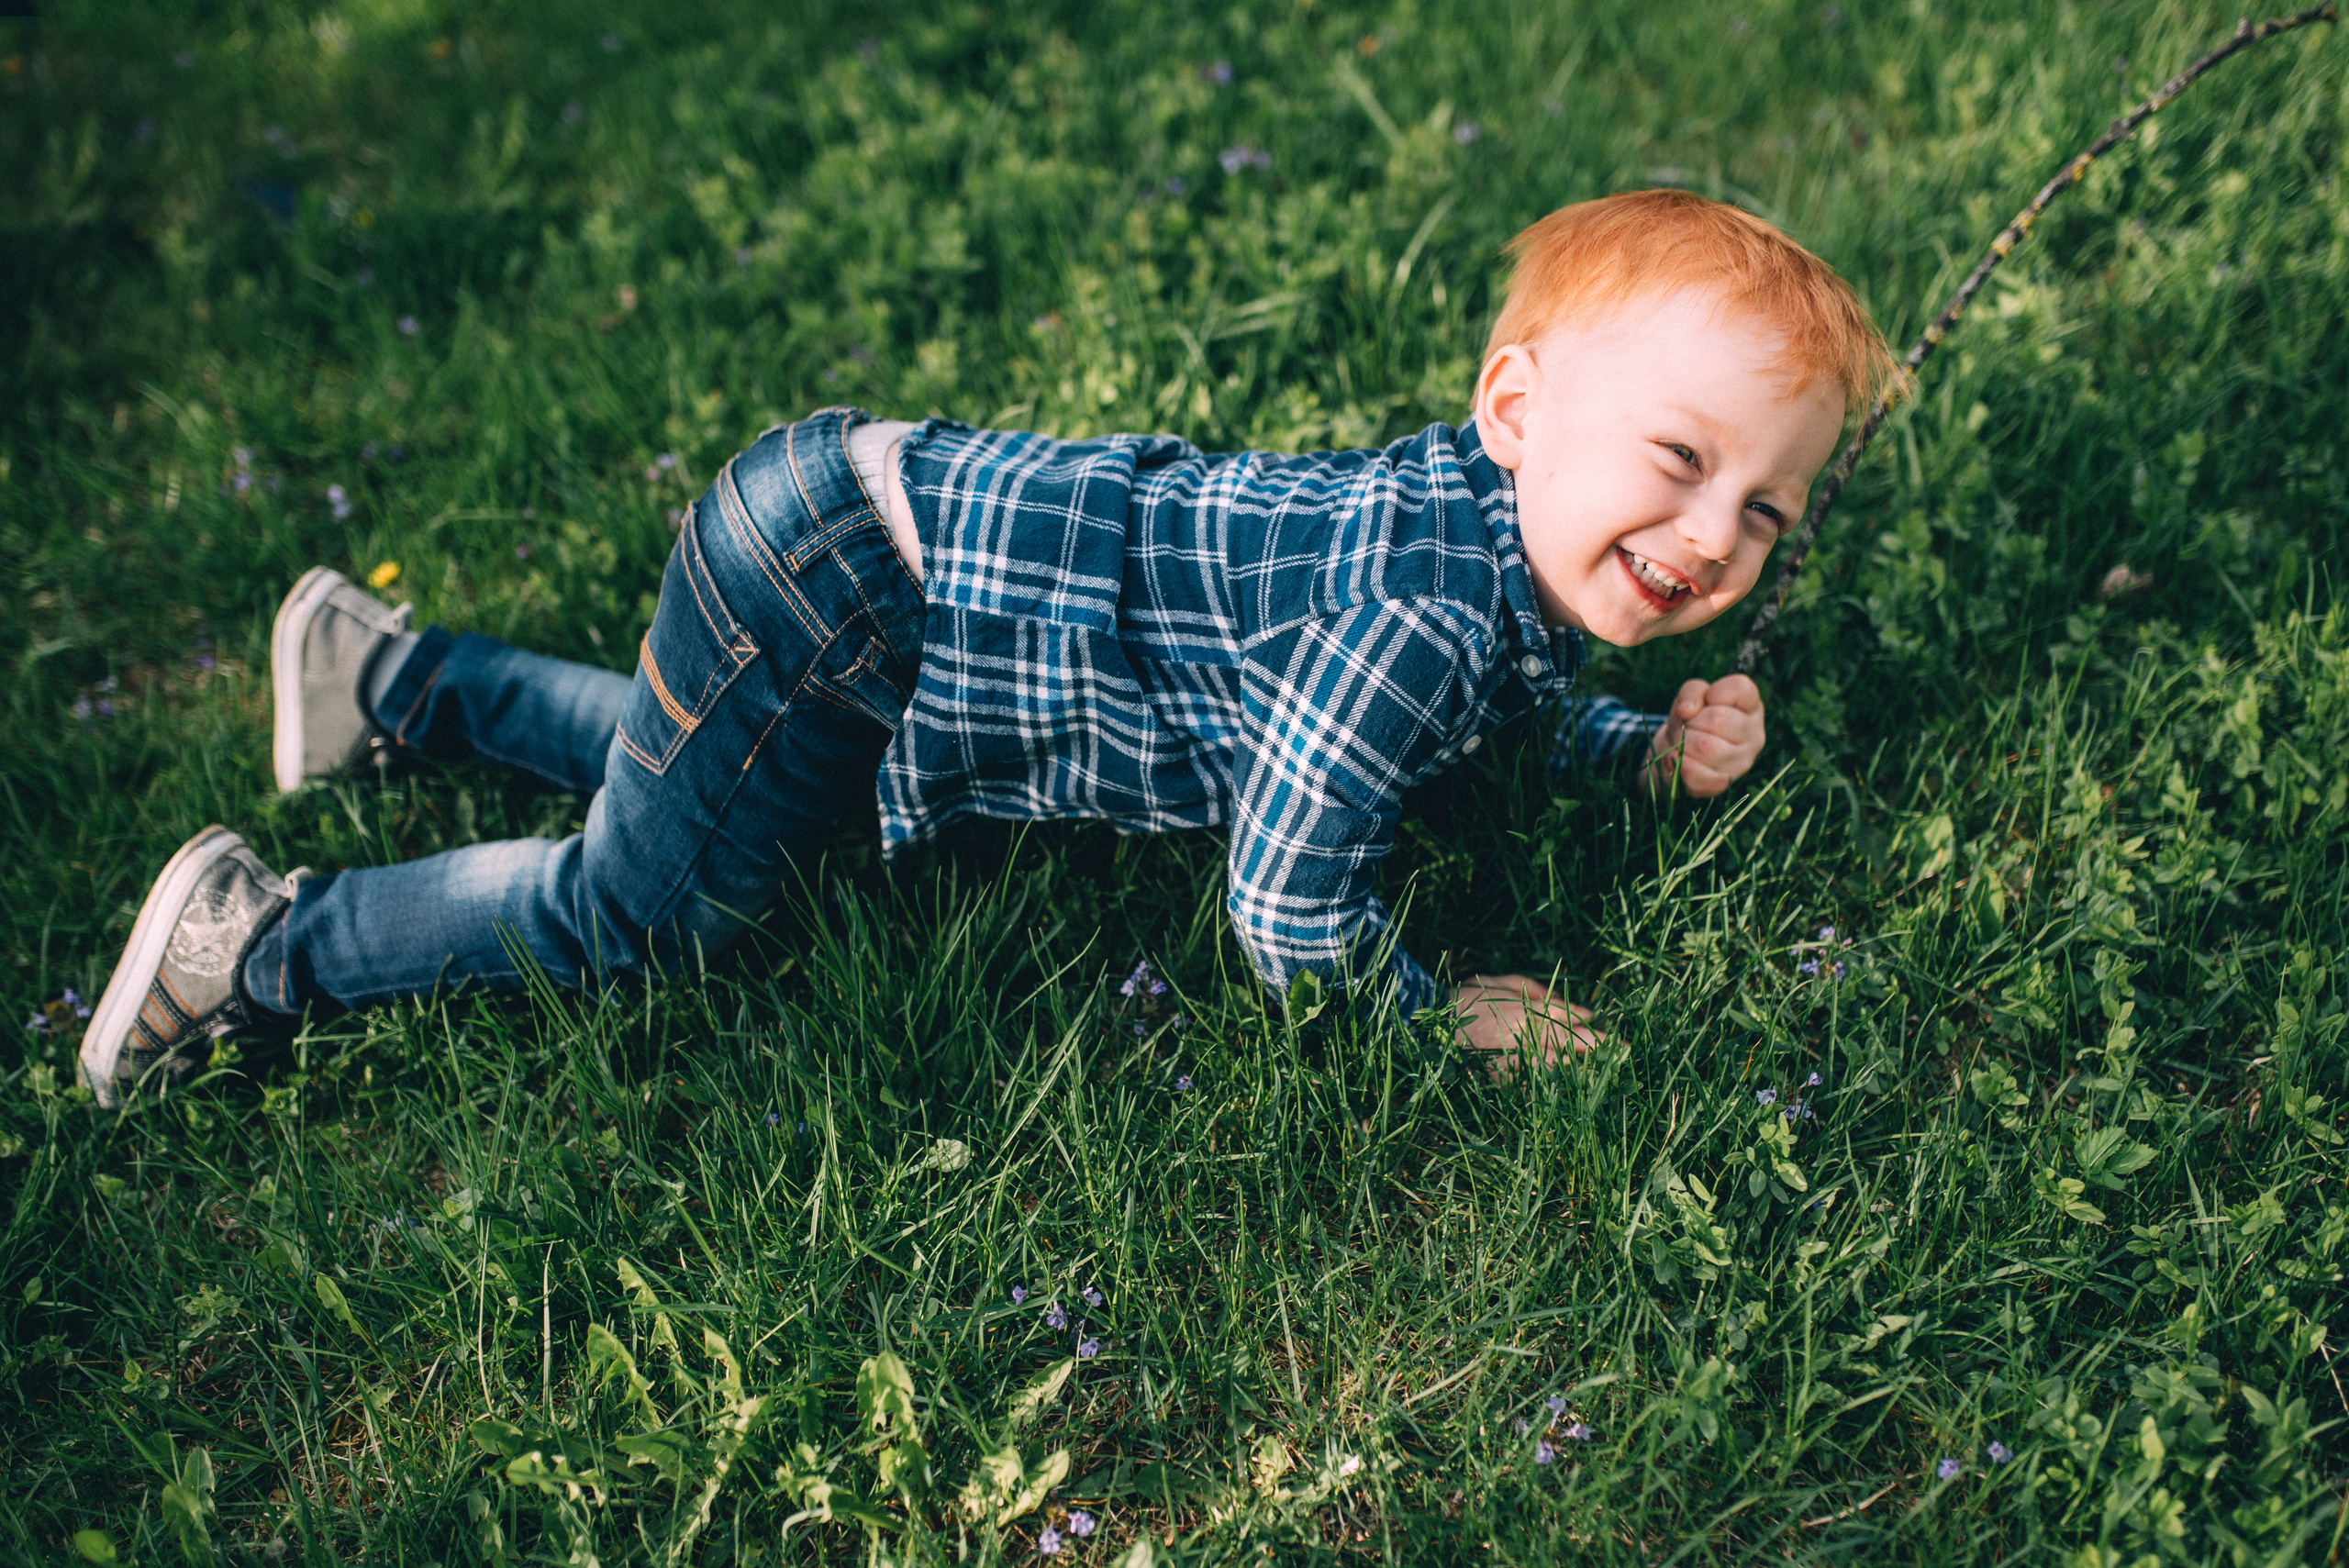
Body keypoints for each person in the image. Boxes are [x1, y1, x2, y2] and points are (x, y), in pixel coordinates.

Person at [78, 189, 1889, 1107]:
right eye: (1677, 460)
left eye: (1761, 509)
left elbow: (1497, 702)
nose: (1711, 536)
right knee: (654, 909)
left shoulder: (1469, 539)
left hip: (845, 534)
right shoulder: (1417, 620)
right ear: (1516, 407)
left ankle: (391, 682)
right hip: (853, 582)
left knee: (714, 779)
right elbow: (1284, 919)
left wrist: (1628, 751)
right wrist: (1444, 1016)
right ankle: (258, 951)